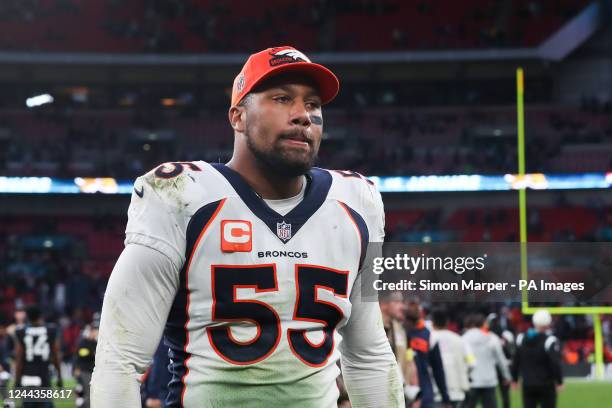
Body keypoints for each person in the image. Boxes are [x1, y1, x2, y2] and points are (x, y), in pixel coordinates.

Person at [91, 45, 404, 407]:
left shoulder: (356, 202)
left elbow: (368, 356)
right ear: (238, 117)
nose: (303, 115)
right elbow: (119, 361)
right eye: (283, 98)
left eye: (313, 104)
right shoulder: (179, 195)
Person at [404, 298, 451, 408]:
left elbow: (438, 369)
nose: (414, 307)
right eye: (410, 304)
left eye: (416, 304)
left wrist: (445, 398)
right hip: (404, 394)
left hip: (425, 396)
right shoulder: (397, 333)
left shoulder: (429, 335)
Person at [13, 305, 63, 408]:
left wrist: (17, 380)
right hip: (44, 374)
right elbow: (55, 355)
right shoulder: (50, 330)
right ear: (41, 316)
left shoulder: (21, 331)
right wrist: (59, 375)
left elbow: (19, 359)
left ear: (27, 317)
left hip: (27, 375)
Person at [512, 310, 563, 408]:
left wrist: (514, 379)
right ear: (548, 323)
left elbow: (516, 361)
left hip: (527, 383)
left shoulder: (521, 339)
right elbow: (555, 363)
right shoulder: (549, 341)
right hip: (546, 384)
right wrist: (559, 381)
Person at [461, 314, 510, 408]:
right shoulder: (492, 338)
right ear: (482, 323)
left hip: (471, 380)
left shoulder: (464, 338)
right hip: (489, 380)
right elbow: (501, 359)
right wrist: (506, 376)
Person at [380, 292, 420, 406]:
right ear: (383, 304)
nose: (402, 307)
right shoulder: (369, 330)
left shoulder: (401, 331)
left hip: (400, 396)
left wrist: (416, 393)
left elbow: (410, 362)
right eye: (397, 302)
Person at [431, 308, 472, 408]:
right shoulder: (460, 340)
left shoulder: (429, 339)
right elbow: (472, 362)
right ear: (447, 322)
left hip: (435, 392)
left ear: (432, 322)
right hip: (457, 390)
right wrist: (465, 373)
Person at [73, 315, 99, 408]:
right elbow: (81, 353)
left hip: (92, 371)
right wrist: (92, 353)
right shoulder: (84, 342)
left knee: (90, 393)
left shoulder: (96, 343)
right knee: (87, 394)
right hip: (85, 371)